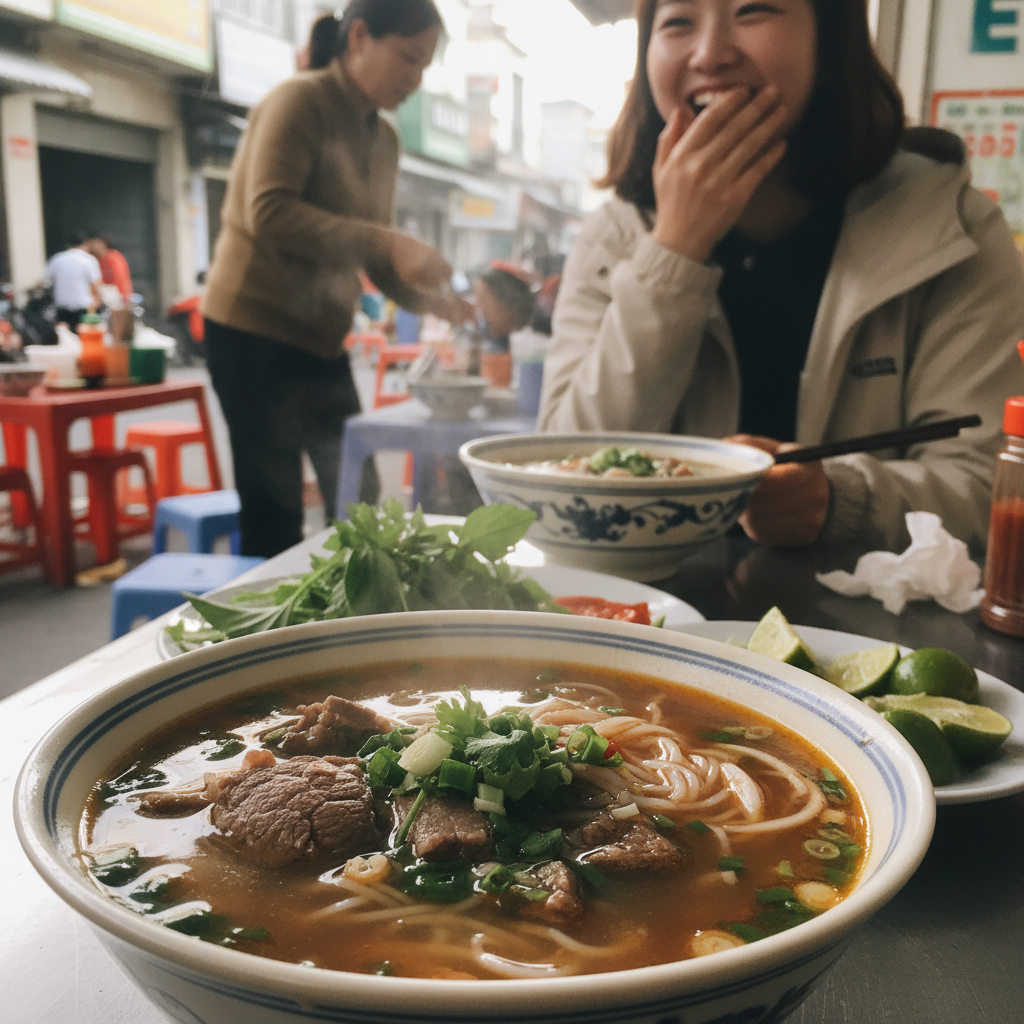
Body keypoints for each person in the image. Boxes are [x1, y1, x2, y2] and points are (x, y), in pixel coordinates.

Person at [538, 0, 1024, 554]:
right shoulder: (611, 237)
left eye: (755, 9)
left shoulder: (951, 226)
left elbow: (994, 488)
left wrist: (840, 499)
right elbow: (557, 474)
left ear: (831, 37)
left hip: (863, 632)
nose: (711, 53)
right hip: (647, 619)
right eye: (676, 22)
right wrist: (673, 252)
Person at [202, 0, 469, 558]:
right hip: (252, 333)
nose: (415, 79)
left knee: (361, 499)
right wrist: (388, 241)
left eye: (425, 66)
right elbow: (268, 212)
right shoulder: (300, 101)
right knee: (274, 507)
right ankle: (276, 637)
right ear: (361, 38)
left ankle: (359, 631)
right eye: (408, 59)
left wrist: (433, 303)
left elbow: (372, 256)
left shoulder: (385, 138)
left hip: (319, 339)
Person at [42, 232, 102, 330]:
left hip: (62, 308)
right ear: (85, 244)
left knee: (65, 339)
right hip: (83, 308)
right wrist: (97, 304)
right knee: (82, 338)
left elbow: (44, 281)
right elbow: (96, 286)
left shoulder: (57, 259)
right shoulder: (89, 260)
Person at [84, 233, 133, 303]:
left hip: (116, 297)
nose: (90, 247)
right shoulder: (97, 259)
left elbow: (116, 281)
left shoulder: (112, 258)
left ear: (101, 243)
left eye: (92, 243)